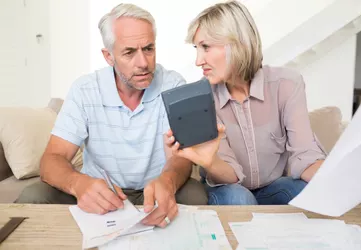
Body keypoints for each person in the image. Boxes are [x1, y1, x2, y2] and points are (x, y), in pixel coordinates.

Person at [15, 3, 208, 228]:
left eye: (148, 48)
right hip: (102, 191)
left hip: (154, 190)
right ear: (109, 56)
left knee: (196, 195)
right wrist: (78, 184)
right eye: (129, 52)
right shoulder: (85, 90)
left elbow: (179, 157)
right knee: (33, 195)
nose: (144, 63)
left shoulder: (173, 85)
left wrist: (168, 181)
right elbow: (51, 160)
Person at [166, 0, 326, 205]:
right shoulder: (202, 98)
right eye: (197, 48)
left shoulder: (287, 84)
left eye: (206, 47)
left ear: (238, 44)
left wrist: (346, 181)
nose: (198, 60)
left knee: (304, 190)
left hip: (272, 188)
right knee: (239, 198)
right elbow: (231, 176)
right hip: (228, 189)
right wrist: (209, 162)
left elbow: (305, 156)